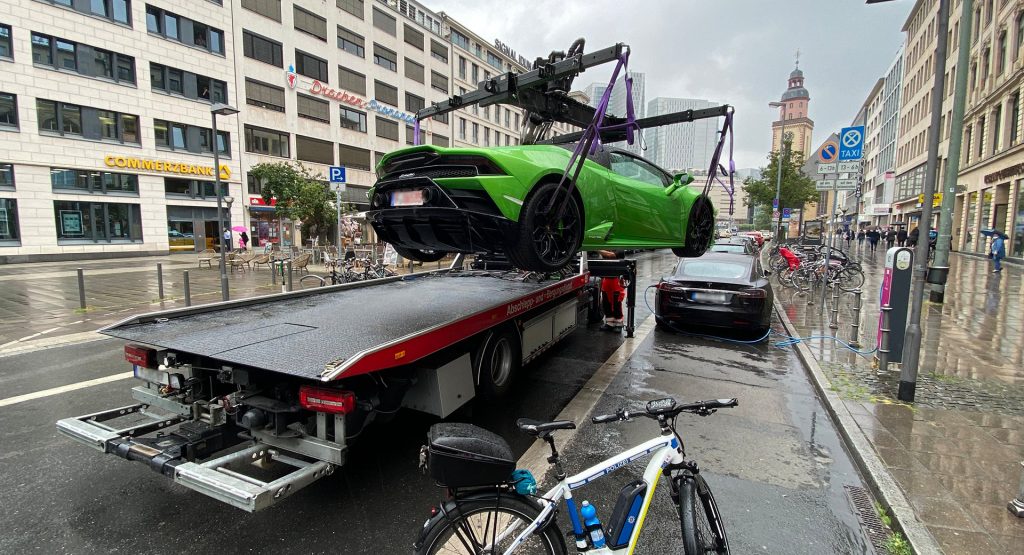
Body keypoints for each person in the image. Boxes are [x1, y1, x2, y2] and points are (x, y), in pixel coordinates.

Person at [596, 250, 626, 331]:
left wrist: (597, 249)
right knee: (606, 303)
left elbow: (611, 255)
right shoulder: (608, 250)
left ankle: (619, 324)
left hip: (616, 281)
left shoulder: (618, 249)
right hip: (607, 281)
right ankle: (610, 323)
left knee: (616, 304)